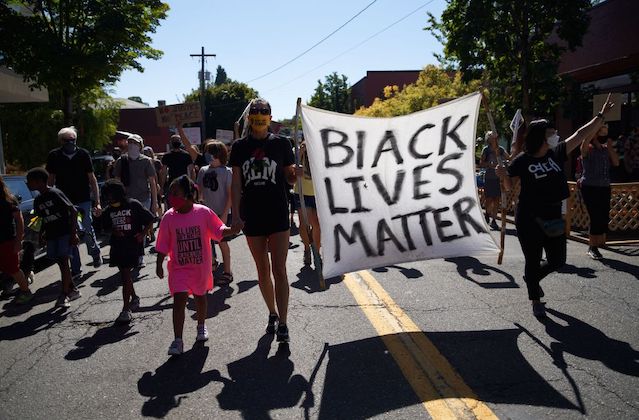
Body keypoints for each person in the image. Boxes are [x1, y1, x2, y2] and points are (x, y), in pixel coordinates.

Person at [498, 95, 615, 319]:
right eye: (549, 133)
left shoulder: (556, 153)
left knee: (557, 260)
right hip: (529, 218)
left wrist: (600, 116)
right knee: (533, 260)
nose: (554, 135)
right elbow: (507, 186)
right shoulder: (522, 160)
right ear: (539, 137)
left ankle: (532, 278)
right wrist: (503, 174)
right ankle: (535, 299)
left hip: (553, 215)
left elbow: (580, 134)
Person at [230, 98, 297, 342]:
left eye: (264, 112)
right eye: (255, 112)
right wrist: (236, 215)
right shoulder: (239, 147)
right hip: (253, 215)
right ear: (249, 117)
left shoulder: (281, 144)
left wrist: (294, 175)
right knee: (263, 270)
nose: (259, 115)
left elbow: (290, 178)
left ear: (270, 116)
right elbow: (236, 183)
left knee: (279, 269)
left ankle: (284, 322)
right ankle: (272, 312)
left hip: (278, 211)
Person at [155, 176, 237, 355]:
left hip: (200, 268)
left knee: (200, 298)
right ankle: (178, 340)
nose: (172, 198)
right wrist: (159, 264)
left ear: (189, 195)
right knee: (179, 300)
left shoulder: (203, 212)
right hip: (179, 269)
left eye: (176, 193)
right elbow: (162, 244)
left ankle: (201, 326)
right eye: (171, 194)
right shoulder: (168, 218)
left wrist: (233, 229)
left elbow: (218, 230)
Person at [46, 126, 102, 279]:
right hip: (64, 201)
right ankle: (76, 268)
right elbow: (50, 179)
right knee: (72, 234)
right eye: (67, 140)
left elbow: (92, 179)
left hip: (83, 199)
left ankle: (95, 252)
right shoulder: (54, 156)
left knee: (87, 229)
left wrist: (97, 201)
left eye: (73, 140)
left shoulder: (83, 154)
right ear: (60, 141)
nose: (71, 143)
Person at [101, 179, 155, 323]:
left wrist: (143, 234)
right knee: (125, 276)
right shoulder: (109, 210)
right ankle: (135, 298)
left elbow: (151, 218)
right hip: (117, 246)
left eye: (112, 195)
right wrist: (112, 230)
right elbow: (103, 227)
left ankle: (126, 309)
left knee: (125, 274)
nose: (110, 198)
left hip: (132, 245)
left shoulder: (133, 204)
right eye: (107, 196)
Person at [27, 167, 81, 308]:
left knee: (64, 262)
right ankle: (72, 288)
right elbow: (42, 219)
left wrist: (73, 233)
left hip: (64, 233)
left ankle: (64, 295)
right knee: (61, 263)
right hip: (51, 235)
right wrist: (41, 235)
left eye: (29, 181)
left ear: (39, 181)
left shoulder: (55, 193)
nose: (27, 184)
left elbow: (73, 210)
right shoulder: (38, 200)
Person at [113, 134, 158, 267]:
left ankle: (140, 255)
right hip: (126, 200)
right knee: (129, 228)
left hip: (144, 198)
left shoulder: (146, 161)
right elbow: (116, 180)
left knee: (141, 228)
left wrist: (154, 204)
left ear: (140, 146)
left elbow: (152, 182)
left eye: (135, 143)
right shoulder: (122, 161)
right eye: (130, 142)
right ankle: (131, 253)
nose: (132, 145)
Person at [196, 140, 234, 285]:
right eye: (208, 153)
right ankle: (212, 263)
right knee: (206, 241)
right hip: (205, 213)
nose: (210, 157)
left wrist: (225, 214)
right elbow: (199, 190)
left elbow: (230, 195)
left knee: (222, 242)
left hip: (221, 212)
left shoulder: (227, 172)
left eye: (213, 154)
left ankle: (227, 271)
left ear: (221, 155)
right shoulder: (203, 170)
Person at [578, 124, 619, 259]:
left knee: (602, 217)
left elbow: (616, 163)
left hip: (604, 186)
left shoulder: (606, 149)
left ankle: (597, 244)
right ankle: (592, 247)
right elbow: (584, 143)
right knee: (595, 216)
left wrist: (609, 146)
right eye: (601, 131)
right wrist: (594, 130)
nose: (603, 133)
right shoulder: (587, 149)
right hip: (590, 186)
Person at [0, 175, 33, 304]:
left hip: (8, 240)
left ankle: (26, 291)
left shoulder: (8, 200)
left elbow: (19, 220)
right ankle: (12, 285)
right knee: (6, 267)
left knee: (13, 268)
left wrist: (19, 240)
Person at [294, 141, 321, 265]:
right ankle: (306, 248)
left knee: (316, 223)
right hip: (302, 192)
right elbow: (292, 169)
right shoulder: (299, 150)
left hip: (317, 193)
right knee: (304, 224)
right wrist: (300, 152)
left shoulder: (319, 150)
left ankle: (316, 251)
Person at [479, 131, 507, 229]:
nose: (494, 137)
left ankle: (494, 220)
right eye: (491, 136)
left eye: (494, 136)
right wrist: (489, 165)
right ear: (488, 139)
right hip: (489, 177)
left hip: (499, 178)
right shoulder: (486, 150)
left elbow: (509, 158)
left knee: (497, 199)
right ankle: (487, 213)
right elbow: (481, 163)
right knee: (489, 198)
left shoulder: (501, 149)